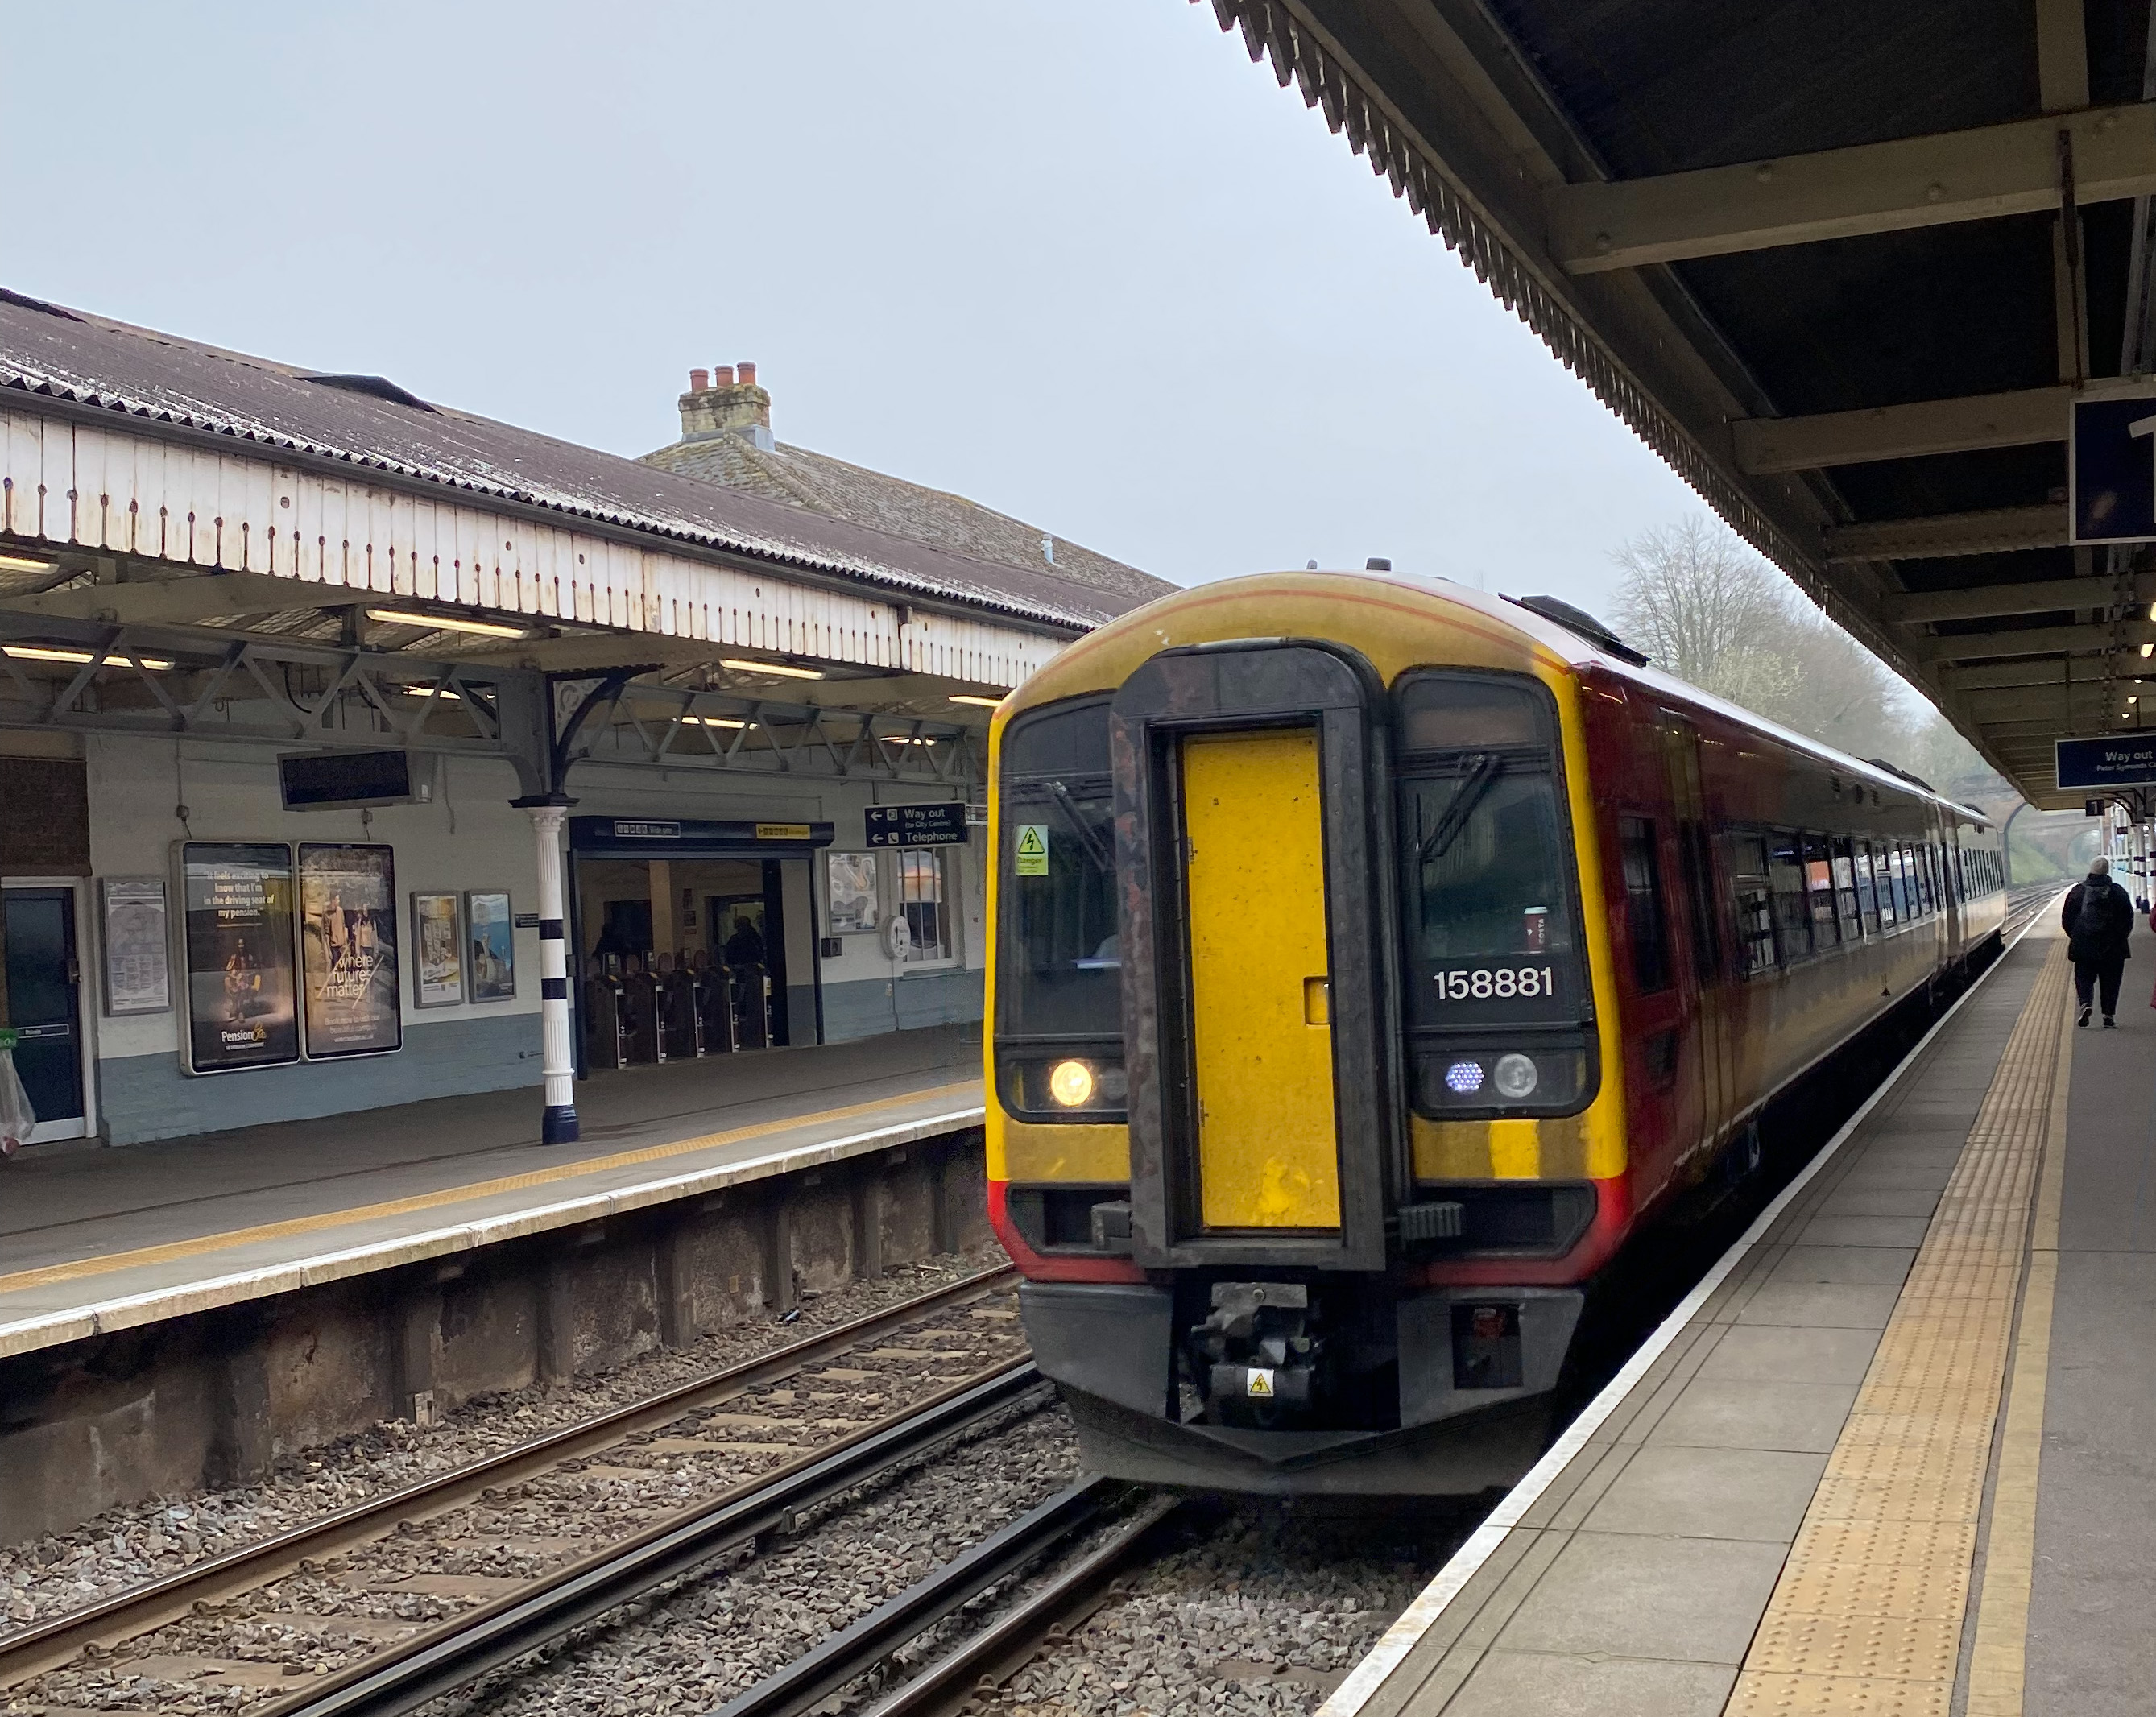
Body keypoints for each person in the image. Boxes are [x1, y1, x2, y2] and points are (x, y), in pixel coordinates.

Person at [2061, 855, 2133, 1028]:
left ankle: (2086, 1003)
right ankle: (2108, 1017)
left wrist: (2077, 937)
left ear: (2090, 870)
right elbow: (2128, 919)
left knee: (2084, 977)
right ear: (2107, 871)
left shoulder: (2077, 892)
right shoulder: (2118, 892)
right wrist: (2120, 937)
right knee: (2111, 981)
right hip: (2113, 947)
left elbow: (2067, 919)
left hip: (2085, 946)